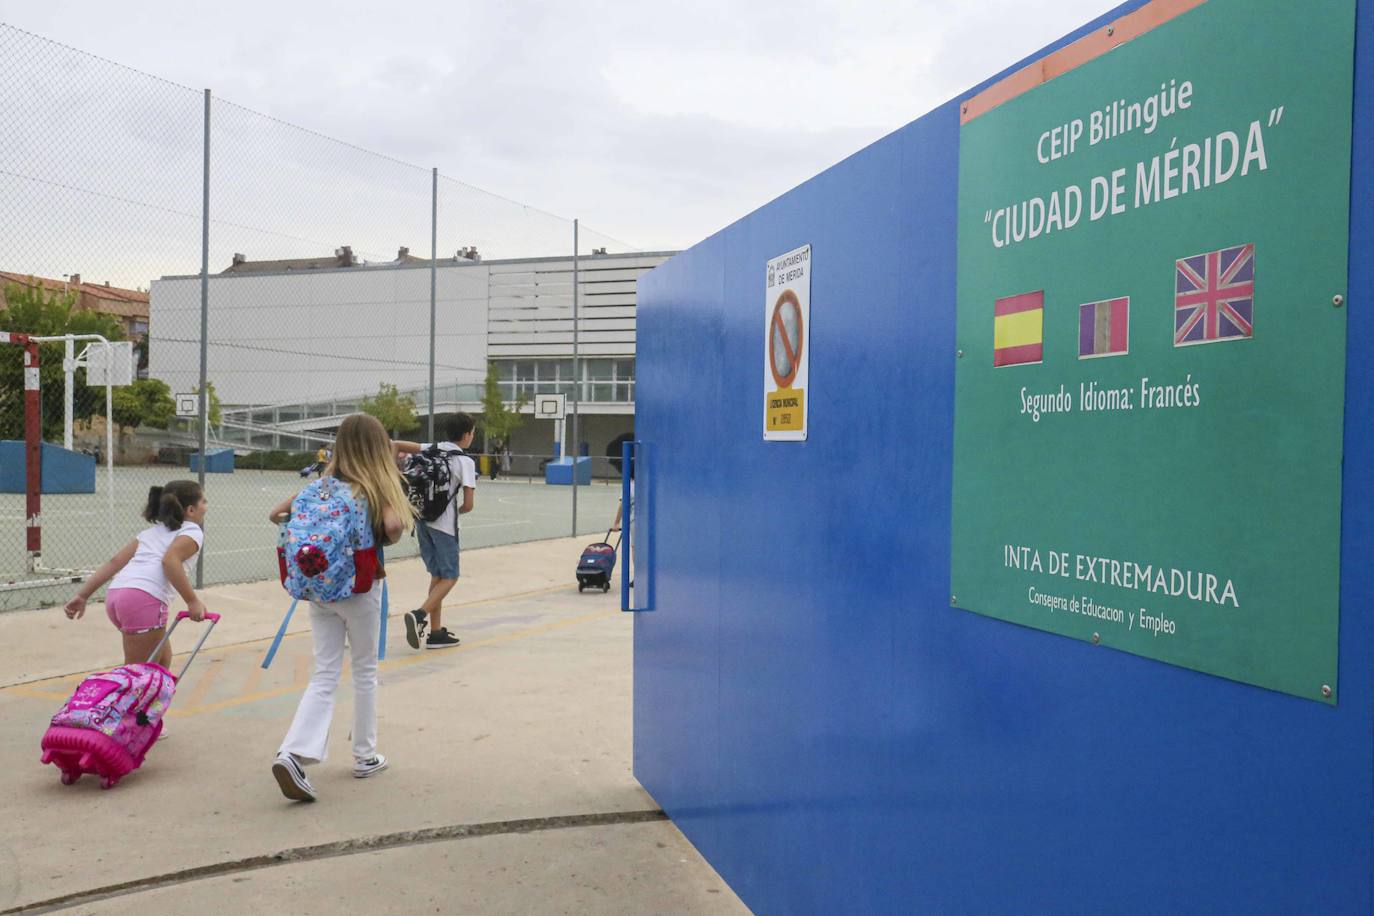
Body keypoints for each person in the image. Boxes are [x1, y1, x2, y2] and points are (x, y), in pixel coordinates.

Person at [267, 414, 411, 802]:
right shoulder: (373, 487)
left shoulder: (319, 486)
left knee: (325, 672)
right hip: (360, 588)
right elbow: (394, 527)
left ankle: (293, 752)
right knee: (364, 669)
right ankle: (365, 755)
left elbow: (275, 514)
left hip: (319, 589)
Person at [63, 480, 208, 670]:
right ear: (191, 510)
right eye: (204, 501)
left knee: (161, 662)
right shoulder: (192, 531)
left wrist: (83, 595)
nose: (206, 507)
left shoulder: (151, 533)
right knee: (138, 674)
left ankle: (158, 690)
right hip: (143, 600)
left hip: (117, 595)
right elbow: (170, 560)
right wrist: (192, 601)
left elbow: (115, 562)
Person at [396, 414, 477, 650]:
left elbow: (395, 445)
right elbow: (468, 504)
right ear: (466, 435)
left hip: (422, 520)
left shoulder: (432, 448)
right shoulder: (465, 462)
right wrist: (455, 511)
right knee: (450, 577)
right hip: (444, 526)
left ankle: (436, 632)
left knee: (437, 576)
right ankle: (419, 615)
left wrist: (392, 480)